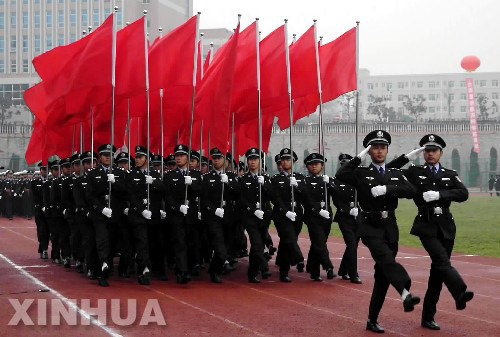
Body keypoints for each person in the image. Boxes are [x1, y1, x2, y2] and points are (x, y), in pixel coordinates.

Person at [336, 130, 420, 334]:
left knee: (383, 275)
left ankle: (372, 320)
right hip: (370, 226)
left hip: (390, 226)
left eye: (383, 147)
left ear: (387, 150)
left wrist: (388, 189)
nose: (379, 151)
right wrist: (359, 157)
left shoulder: (395, 173)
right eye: (375, 147)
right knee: (386, 260)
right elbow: (341, 175)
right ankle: (405, 292)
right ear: (369, 150)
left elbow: (411, 191)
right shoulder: (361, 173)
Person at [390, 134, 473, 330]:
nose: (430, 154)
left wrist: (440, 194)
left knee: (437, 274)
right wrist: (408, 157)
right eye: (426, 151)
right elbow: (390, 170)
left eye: (433, 150)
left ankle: (428, 317)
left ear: (440, 153)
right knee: (442, 261)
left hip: (446, 225)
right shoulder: (414, 171)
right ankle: (459, 291)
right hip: (426, 224)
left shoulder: (450, 174)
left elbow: (463, 193)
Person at [86, 144, 127, 287]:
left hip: (115, 214)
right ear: (100, 157)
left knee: (111, 242)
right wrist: (101, 208)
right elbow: (90, 196)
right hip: (99, 214)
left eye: (110, 155)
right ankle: (101, 268)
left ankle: (106, 264)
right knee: (102, 241)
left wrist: (115, 182)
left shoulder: (119, 173)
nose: (107, 157)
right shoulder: (92, 173)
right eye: (104, 155)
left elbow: (124, 192)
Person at [163, 144, 202, 284]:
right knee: (180, 243)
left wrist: (192, 184)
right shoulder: (169, 176)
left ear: (187, 157)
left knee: (192, 243)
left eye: (181, 156)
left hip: (191, 215)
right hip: (177, 215)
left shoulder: (196, 175)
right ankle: (182, 271)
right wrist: (178, 207)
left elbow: (201, 192)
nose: (178, 158)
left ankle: (191, 267)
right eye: (177, 156)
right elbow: (167, 196)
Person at [201, 147, 240, 283]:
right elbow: (204, 199)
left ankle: (214, 269)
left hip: (229, 218)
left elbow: (238, 194)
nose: (216, 160)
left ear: (225, 160)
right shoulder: (206, 178)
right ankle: (216, 270)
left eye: (219, 158)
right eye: (214, 158)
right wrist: (213, 210)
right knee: (220, 249)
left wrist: (228, 183)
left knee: (227, 248)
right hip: (213, 218)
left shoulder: (232, 177)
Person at [238, 148, 273, 283]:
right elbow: (242, 199)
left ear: (260, 161)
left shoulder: (265, 178)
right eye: (250, 159)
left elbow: (271, 196)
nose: (253, 162)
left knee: (257, 246)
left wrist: (264, 185)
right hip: (249, 216)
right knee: (257, 242)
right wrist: (253, 210)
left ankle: (252, 273)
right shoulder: (243, 179)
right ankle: (264, 267)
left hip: (263, 216)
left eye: (255, 159)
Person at [270, 148, 305, 282]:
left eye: (288, 159)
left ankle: (283, 269)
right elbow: (276, 198)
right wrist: (286, 211)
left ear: (293, 161)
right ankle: (298, 259)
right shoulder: (276, 179)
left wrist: (297, 186)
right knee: (288, 238)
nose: (285, 162)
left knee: (287, 242)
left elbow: (305, 195)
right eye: (283, 159)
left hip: (297, 214)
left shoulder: (299, 178)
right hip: (281, 214)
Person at [301, 152, 336, 281]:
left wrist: (331, 184)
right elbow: (307, 199)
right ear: (307, 167)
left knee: (318, 243)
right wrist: (318, 210)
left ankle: (313, 269)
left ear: (322, 165)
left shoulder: (327, 180)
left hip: (326, 217)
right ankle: (328, 267)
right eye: (311, 164)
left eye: (317, 164)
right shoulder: (305, 181)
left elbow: (338, 193)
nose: (314, 166)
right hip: (313, 217)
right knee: (320, 243)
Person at [332, 153, 362, 284]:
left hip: (358, 216)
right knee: (351, 244)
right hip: (344, 217)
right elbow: (337, 202)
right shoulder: (336, 182)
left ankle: (343, 270)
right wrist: (349, 210)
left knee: (354, 244)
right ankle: (353, 273)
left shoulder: (357, 180)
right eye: (343, 165)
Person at [32, 163, 50, 259]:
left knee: (48, 230)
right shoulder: (35, 182)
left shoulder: (51, 181)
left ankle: (43, 248)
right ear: (40, 170)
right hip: (39, 210)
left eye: (46, 169)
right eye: (43, 169)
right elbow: (34, 197)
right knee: (42, 230)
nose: (45, 171)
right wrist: (40, 206)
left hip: (49, 210)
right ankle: (44, 249)